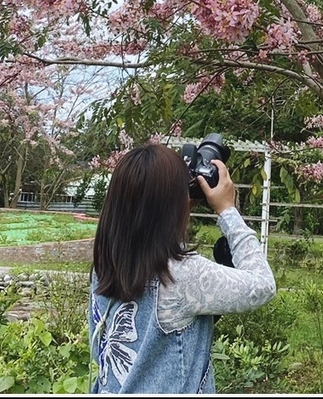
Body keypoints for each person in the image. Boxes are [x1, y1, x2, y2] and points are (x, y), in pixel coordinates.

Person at [88, 143, 276, 394]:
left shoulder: (105, 263)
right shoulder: (183, 275)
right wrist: (227, 210)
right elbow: (263, 284)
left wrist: (180, 201)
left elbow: (151, 233)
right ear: (170, 205)